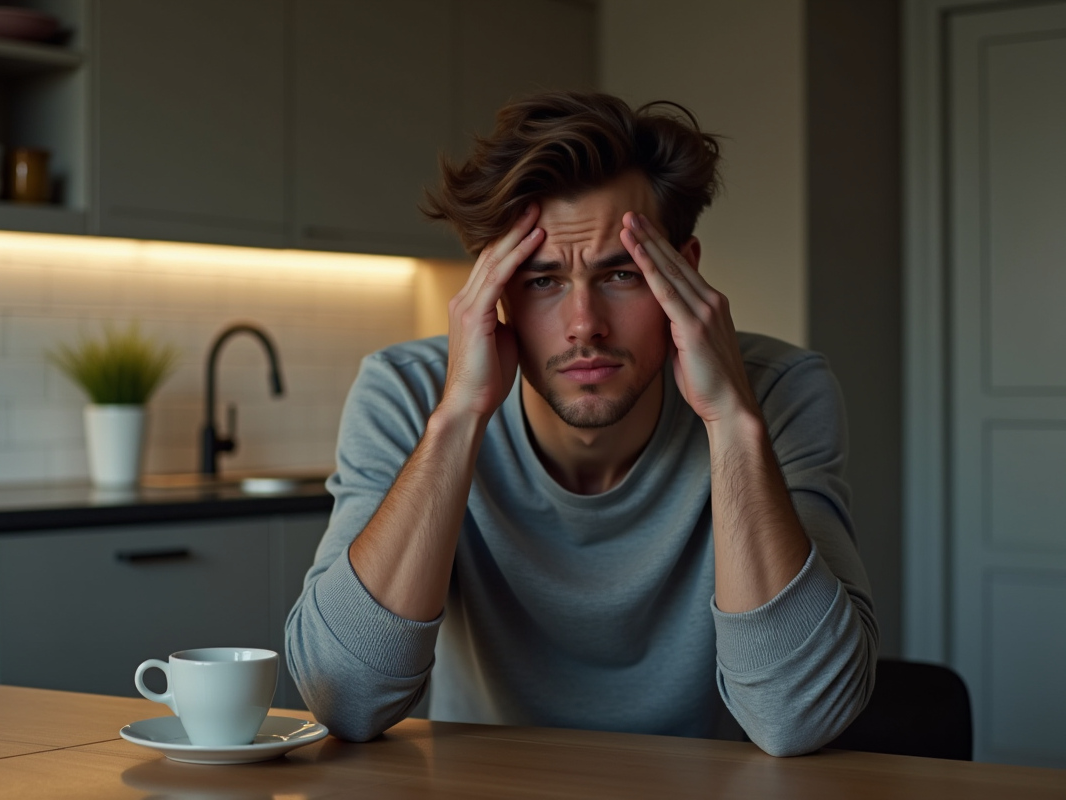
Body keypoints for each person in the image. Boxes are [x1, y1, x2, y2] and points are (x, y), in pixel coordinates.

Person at [286, 91, 877, 757]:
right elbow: (345, 697)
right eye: (541, 281)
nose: (584, 324)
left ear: (684, 273)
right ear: (494, 291)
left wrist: (732, 422)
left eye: (621, 273)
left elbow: (799, 716)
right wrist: (458, 418)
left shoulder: (777, 392)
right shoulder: (409, 392)